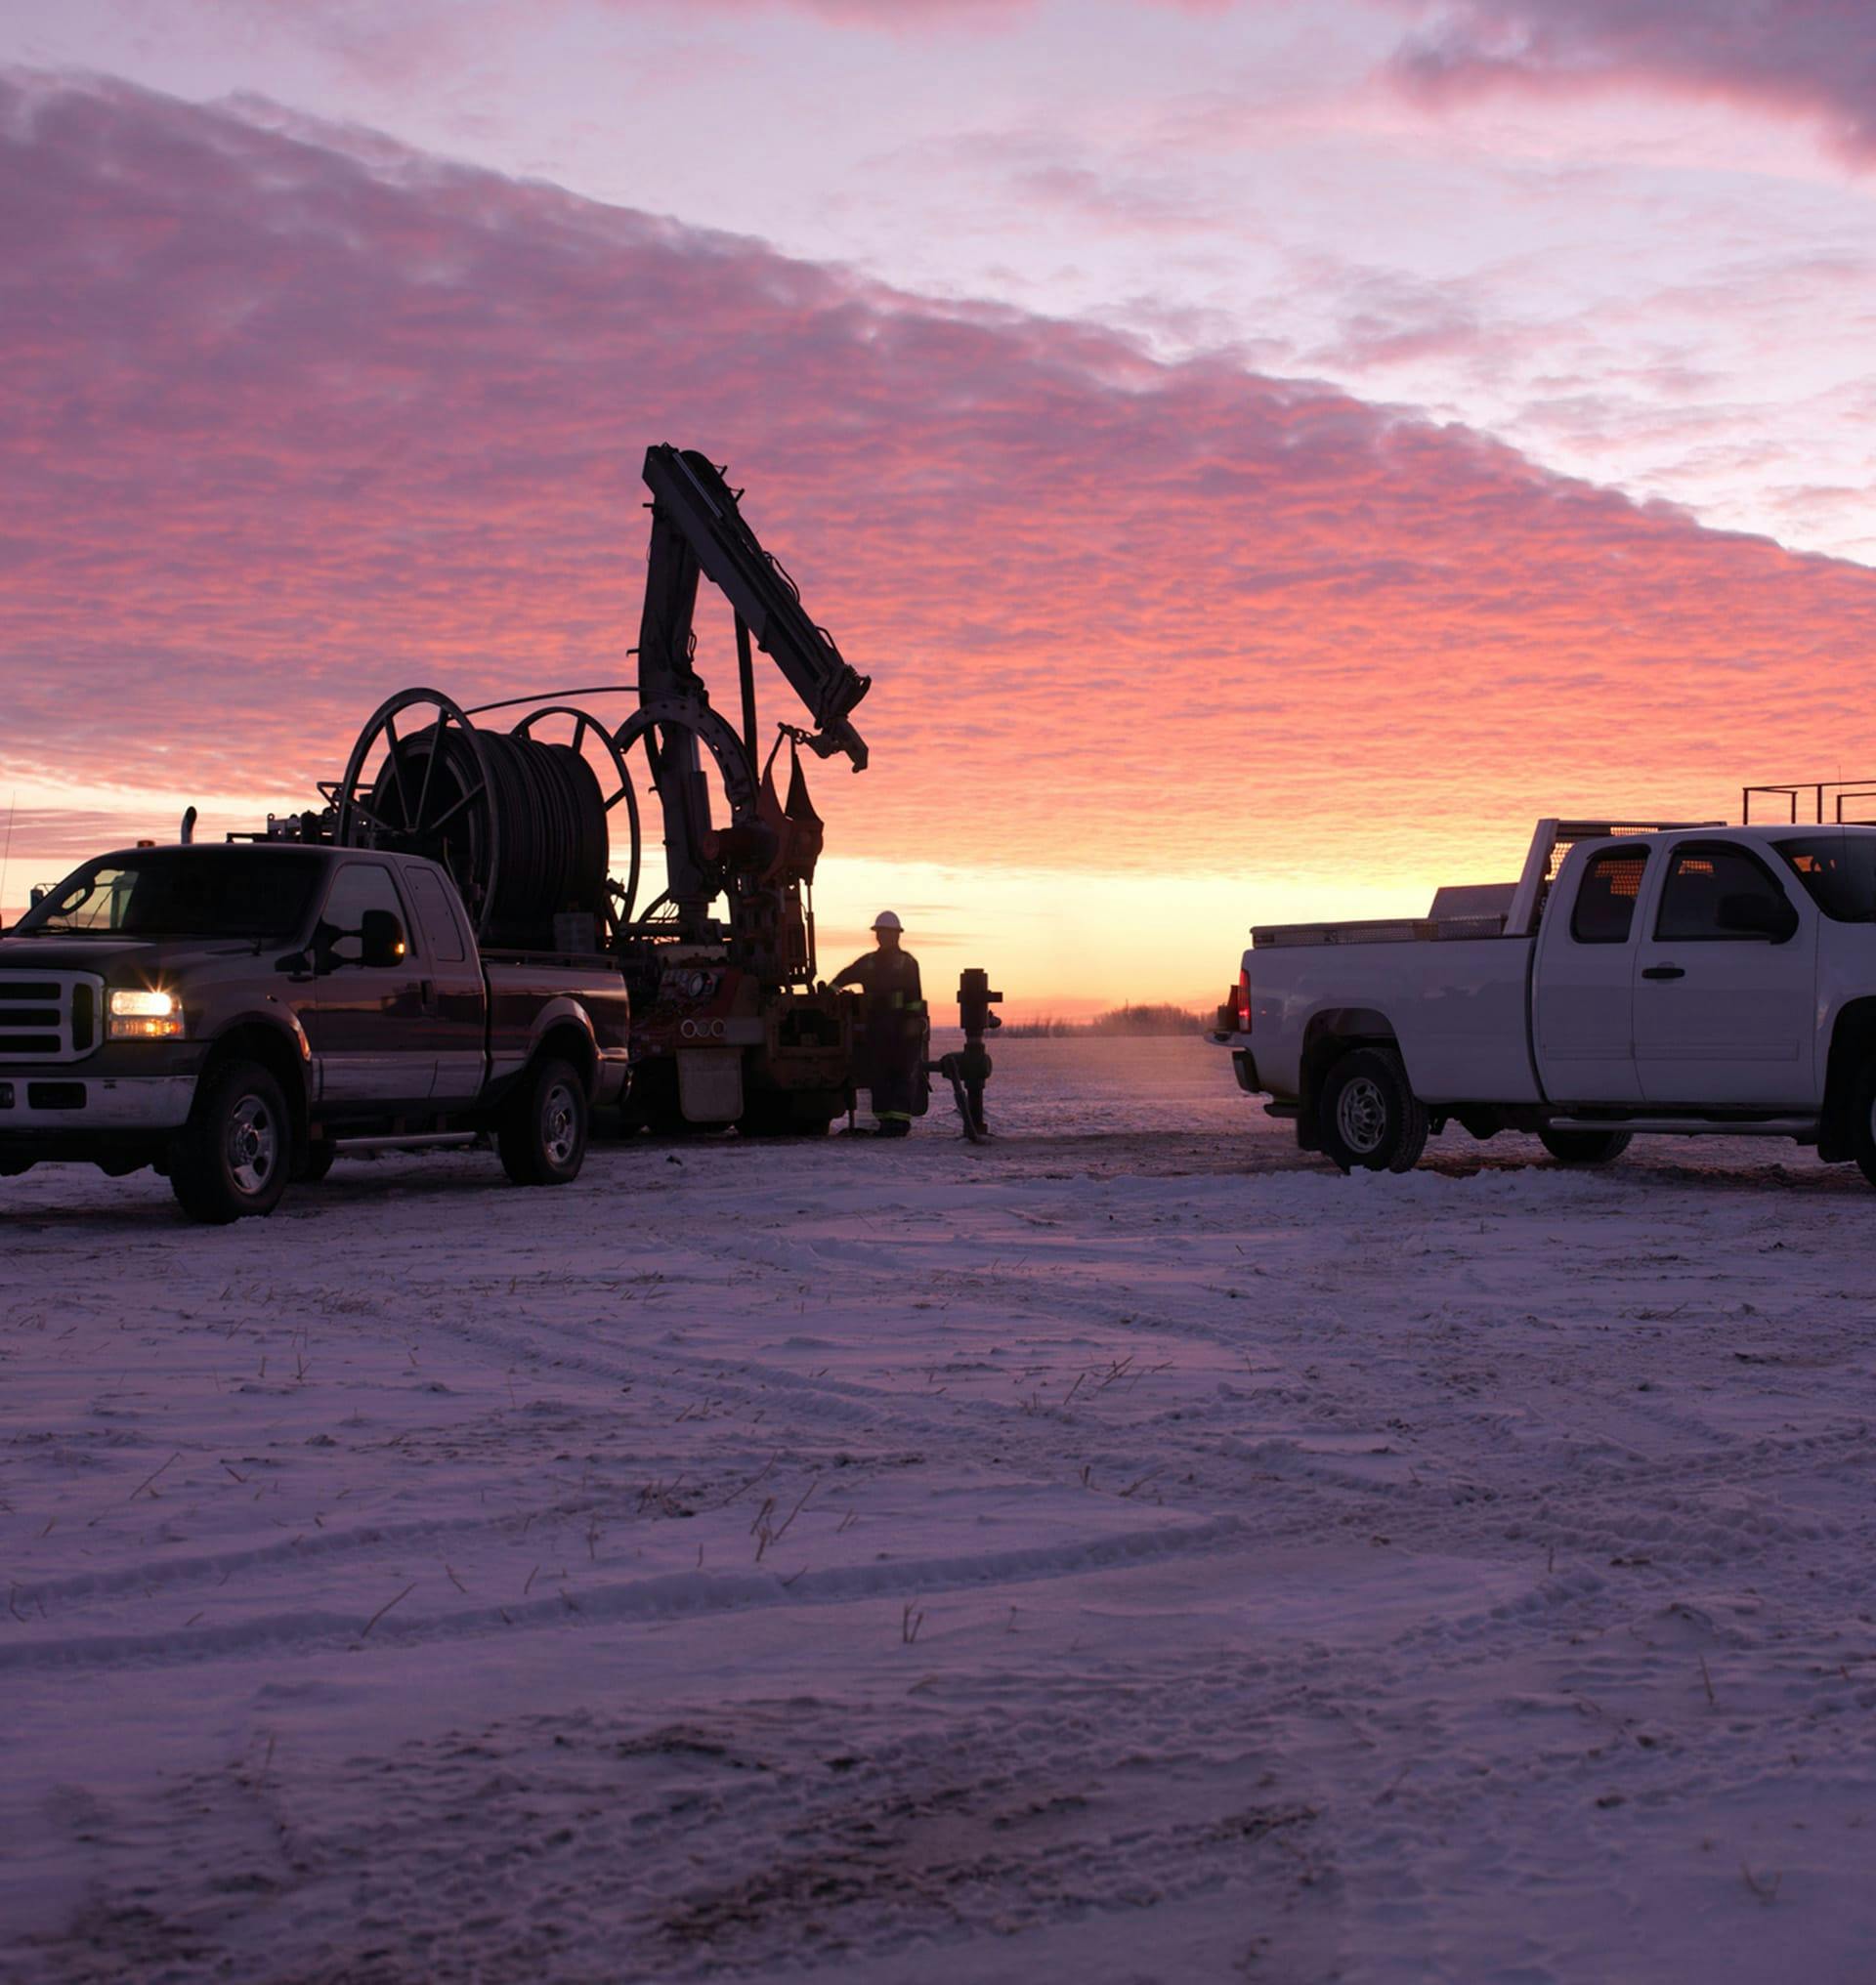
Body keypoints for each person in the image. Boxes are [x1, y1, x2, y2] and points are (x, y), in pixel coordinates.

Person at [831, 911, 924, 1136]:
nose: (884, 936)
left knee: (900, 1073)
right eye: (881, 932)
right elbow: (844, 976)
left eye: (888, 933)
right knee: (879, 1076)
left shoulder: (907, 963)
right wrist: (830, 991)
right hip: (878, 1027)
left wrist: (912, 1022)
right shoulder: (869, 962)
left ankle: (899, 1123)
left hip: (900, 1028)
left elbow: (915, 996)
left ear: (897, 935)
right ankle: (885, 1123)